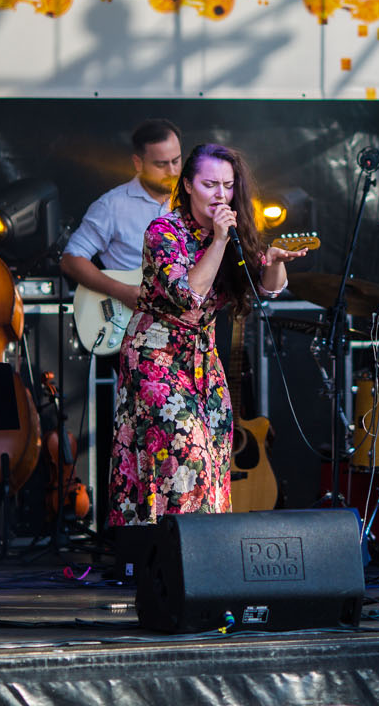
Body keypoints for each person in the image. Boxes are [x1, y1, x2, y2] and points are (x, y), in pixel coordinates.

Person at [105, 144, 308, 525]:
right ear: (187, 185)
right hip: (156, 355)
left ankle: (205, 548)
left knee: (213, 451)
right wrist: (218, 241)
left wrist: (275, 262)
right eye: (210, 184)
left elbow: (267, 289)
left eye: (228, 186)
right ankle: (165, 544)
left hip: (203, 360)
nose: (220, 195)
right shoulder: (163, 232)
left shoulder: (235, 233)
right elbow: (189, 295)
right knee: (184, 448)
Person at [60, 118, 183, 312]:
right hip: (124, 318)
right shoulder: (111, 206)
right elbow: (71, 260)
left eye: (176, 161)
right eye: (161, 164)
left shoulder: (194, 204)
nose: (172, 171)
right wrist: (121, 291)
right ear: (138, 163)